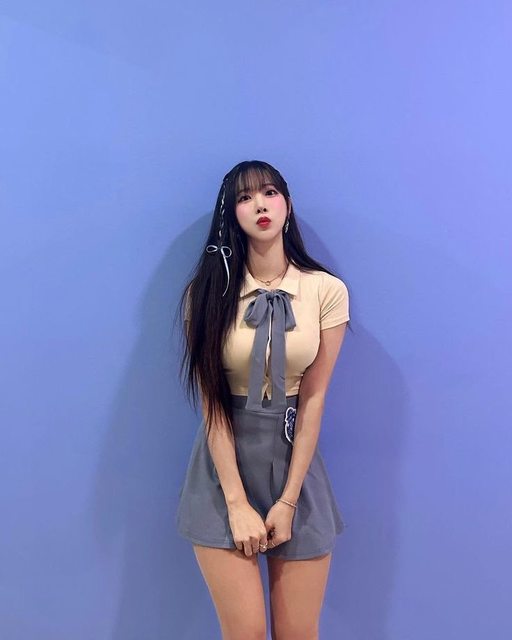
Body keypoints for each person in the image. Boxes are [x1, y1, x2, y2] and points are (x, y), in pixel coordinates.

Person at [175, 160, 351, 640]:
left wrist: (289, 500)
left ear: (287, 204)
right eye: (245, 197)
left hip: (295, 465)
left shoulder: (325, 290)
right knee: (247, 633)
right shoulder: (205, 293)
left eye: (270, 192)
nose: (260, 205)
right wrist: (236, 503)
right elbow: (212, 404)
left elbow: (314, 398)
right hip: (223, 469)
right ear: (232, 214)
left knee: (298, 633)